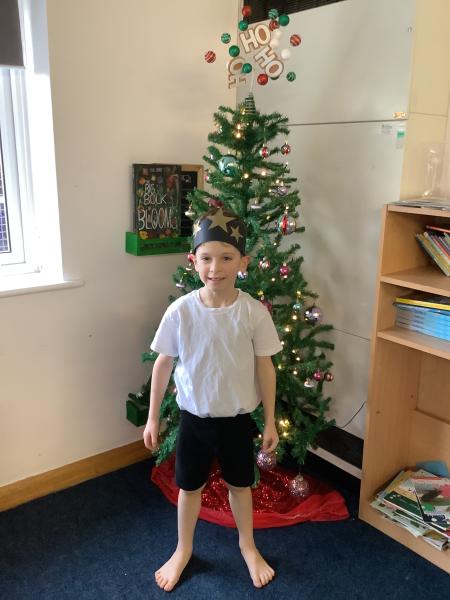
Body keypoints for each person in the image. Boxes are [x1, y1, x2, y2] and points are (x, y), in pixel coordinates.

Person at [143, 207, 282, 592]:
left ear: (243, 262)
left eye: (226, 257)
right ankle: (183, 549)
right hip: (195, 421)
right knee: (189, 488)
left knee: (241, 485)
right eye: (206, 258)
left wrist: (270, 420)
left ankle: (247, 545)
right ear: (193, 260)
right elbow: (163, 364)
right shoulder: (181, 311)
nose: (215, 268)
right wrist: (153, 417)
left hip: (236, 421)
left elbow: (265, 367)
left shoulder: (252, 312)